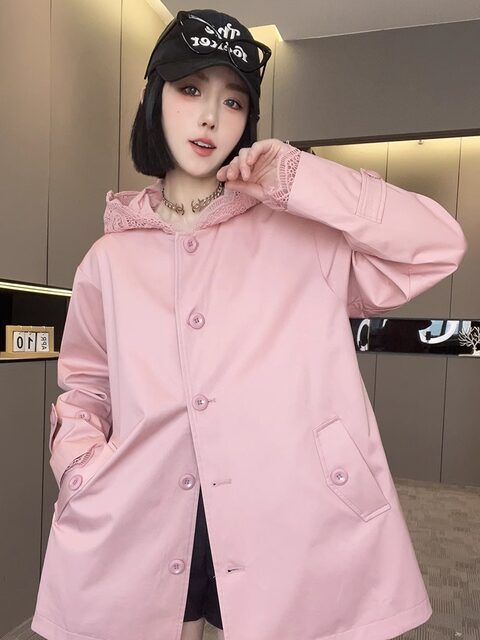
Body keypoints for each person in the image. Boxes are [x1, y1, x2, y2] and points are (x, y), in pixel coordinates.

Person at [31, 8, 468, 640]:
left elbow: (436, 245)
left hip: (288, 507)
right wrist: (79, 467)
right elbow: (85, 388)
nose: (211, 116)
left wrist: (300, 176)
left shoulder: (303, 234)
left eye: (233, 100)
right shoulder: (110, 259)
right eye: (190, 89)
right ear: (154, 99)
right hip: (141, 509)